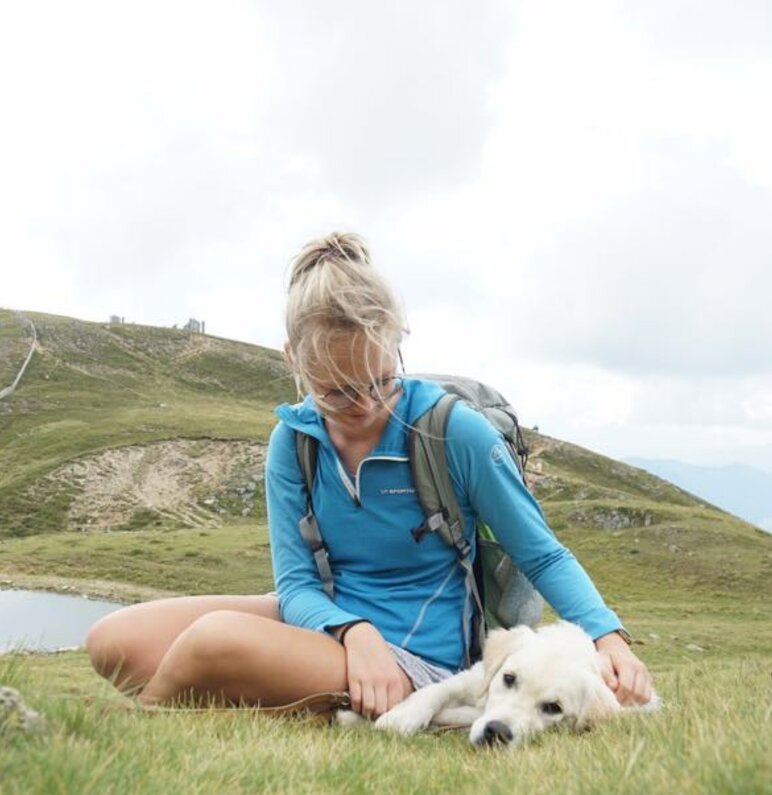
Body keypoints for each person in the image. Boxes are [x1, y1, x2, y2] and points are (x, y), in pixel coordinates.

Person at [86, 232, 653, 717]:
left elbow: (543, 554)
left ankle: (145, 721)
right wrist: (353, 633)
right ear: (293, 360)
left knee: (211, 641)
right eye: (335, 390)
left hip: (419, 656)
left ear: (397, 340)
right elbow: (297, 586)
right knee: (113, 642)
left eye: (382, 379)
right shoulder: (293, 441)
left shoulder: (454, 433)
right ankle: (291, 700)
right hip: (331, 626)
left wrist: (609, 637)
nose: (365, 405)